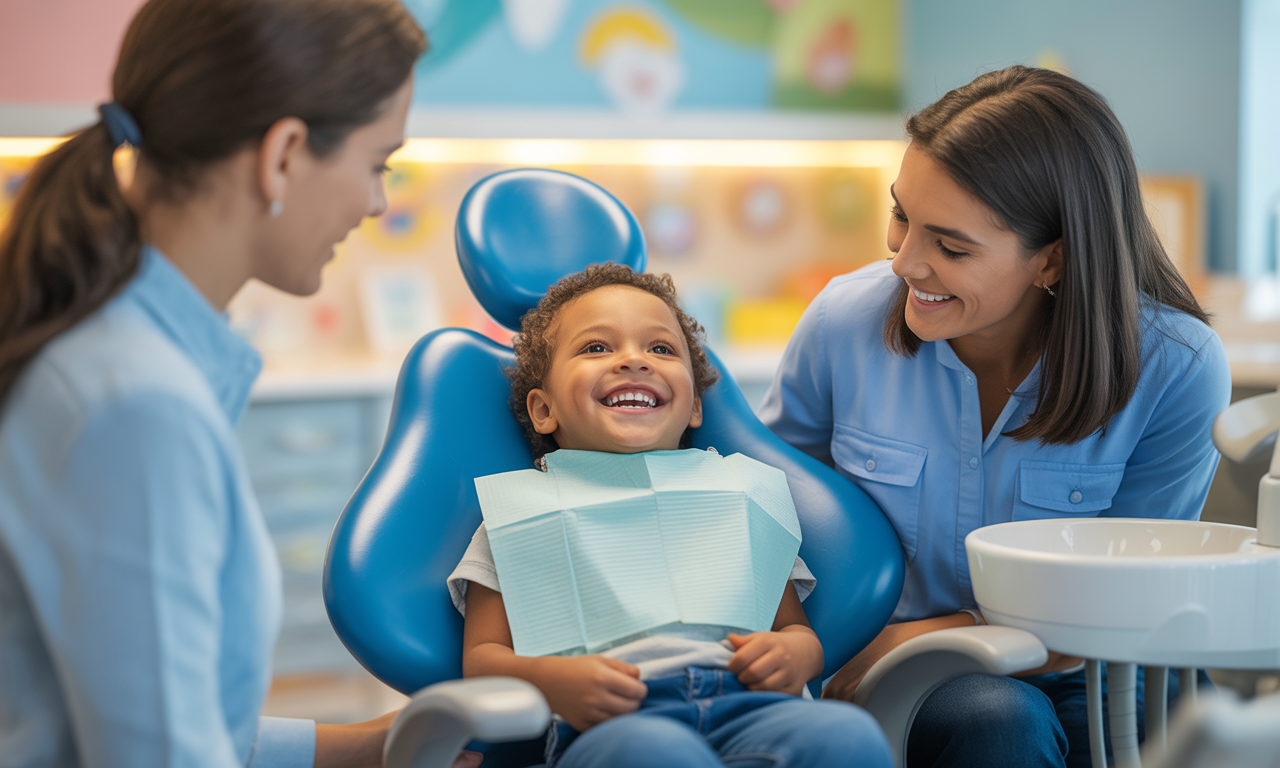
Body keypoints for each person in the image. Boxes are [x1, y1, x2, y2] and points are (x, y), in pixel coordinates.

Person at [0, 1, 439, 766]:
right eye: (378, 164)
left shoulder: (118, 361)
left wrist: (377, 747)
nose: (377, 202)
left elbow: (172, 718)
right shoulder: (136, 407)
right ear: (284, 155)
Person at [758, 65, 1231, 768]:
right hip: (905, 680)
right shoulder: (842, 323)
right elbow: (757, 513)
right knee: (994, 717)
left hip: (1094, 667)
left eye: (950, 247)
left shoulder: (1176, 367)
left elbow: (1132, 600)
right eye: (901, 216)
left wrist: (931, 634)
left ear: (1053, 260)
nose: (904, 263)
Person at [447, 264, 893, 768]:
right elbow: (483, 659)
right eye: (597, 348)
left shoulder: (739, 494)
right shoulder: (519, 515)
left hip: (751, 706)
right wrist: (555, 683)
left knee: (847, 737)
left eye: (660, 349)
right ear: (543, 409)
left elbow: (795, 630)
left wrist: (797, 655)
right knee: (657, 754)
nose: (634, 361)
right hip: (618, 726)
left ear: (695, 408)